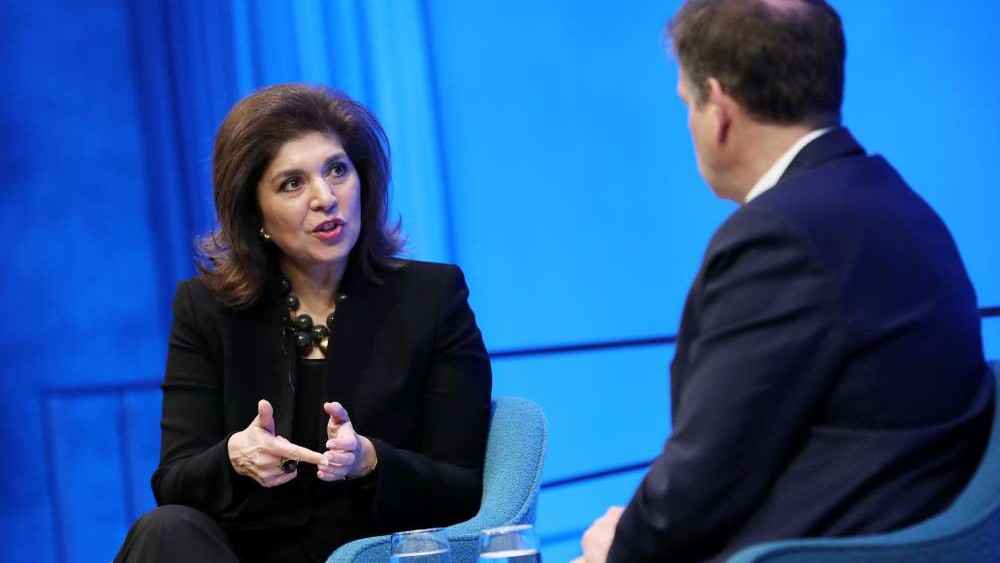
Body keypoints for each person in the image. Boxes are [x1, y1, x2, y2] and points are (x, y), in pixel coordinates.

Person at [575, 1, 995, 562]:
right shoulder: (897, 204)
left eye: (686, 104)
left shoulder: (779, 238)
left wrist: (618, 548)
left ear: (719, 106)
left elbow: (704, 477)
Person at [115, 84, 493, 562]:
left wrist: (371, 460)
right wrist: (234, 456)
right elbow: (174, 481)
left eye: (337, 170)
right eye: (292, 183)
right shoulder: (206, 309)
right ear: (255, 212)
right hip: (241, 553)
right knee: (164, 529)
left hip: (369, 552)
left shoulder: (432, 297)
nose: (325, 197)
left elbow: (463, 487)